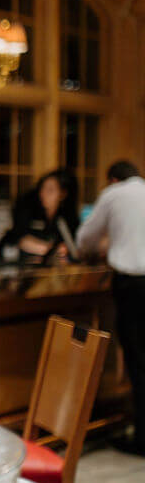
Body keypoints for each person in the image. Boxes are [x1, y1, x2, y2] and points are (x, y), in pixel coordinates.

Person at [76, 160, 145, 457]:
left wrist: (89, 251)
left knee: (138, 359)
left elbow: (85, 239)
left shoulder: (113, 194)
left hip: (132, 286)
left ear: (113, 179)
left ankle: (142, 438)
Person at [0, 169, 79, 263]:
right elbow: (20, 238)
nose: (43, 194)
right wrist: (50, 250)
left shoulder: (64, 217)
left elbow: (70, 245)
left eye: (50, 190)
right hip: (12, 262)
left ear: (63, 194)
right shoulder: (28, 207)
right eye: (42, 188)